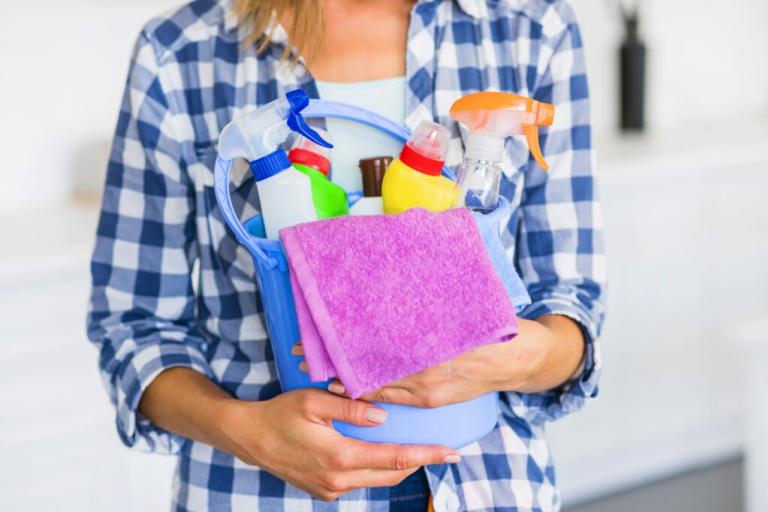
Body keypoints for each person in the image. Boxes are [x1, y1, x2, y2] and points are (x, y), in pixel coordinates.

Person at [87, 0, 606, 509]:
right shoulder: (181, 53)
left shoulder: (530, 27)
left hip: (485, 480)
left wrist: (518, 358)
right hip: (260, 493)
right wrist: (250, 432)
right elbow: (133, 326)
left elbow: (570, 304)